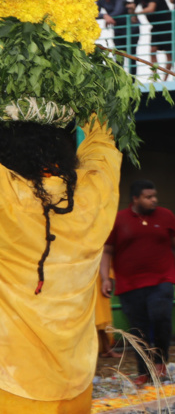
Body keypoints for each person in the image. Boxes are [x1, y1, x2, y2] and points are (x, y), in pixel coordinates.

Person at [0, 119, 120, 412]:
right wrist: (89, 102)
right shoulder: (93, 192)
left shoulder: (7, 197)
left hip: (14, 381)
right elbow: (103, 144)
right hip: (76, 379)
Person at [101, 180, 175, 386]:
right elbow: (107, 250)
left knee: (161, 318)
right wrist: (105, 278)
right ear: (135, 199)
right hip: (129, 284)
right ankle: (143, 371)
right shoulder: (119, 220)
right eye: (148, 197)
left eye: (155, 196)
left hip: (161, 279)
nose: (154, 200)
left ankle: (160, 360)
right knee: (137, 330)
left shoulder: (166, 216)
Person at [131, 0, 173, 79]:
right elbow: (133, 7)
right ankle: (155, 76)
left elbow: (151, 8)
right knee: (152, 50)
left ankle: (165, 78)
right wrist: (132, 14)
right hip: (155, 26)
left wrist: (137, 13)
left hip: (167, 24)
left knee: (169, 54)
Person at [97, 0, 138, 75]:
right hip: (118, 29)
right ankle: (120, 80)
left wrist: (109, 17)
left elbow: (119, 9)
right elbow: (93, 12)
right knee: (119, 55)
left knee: (131, 55)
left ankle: (133, 81)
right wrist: (105, 15)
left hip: (131, 28)